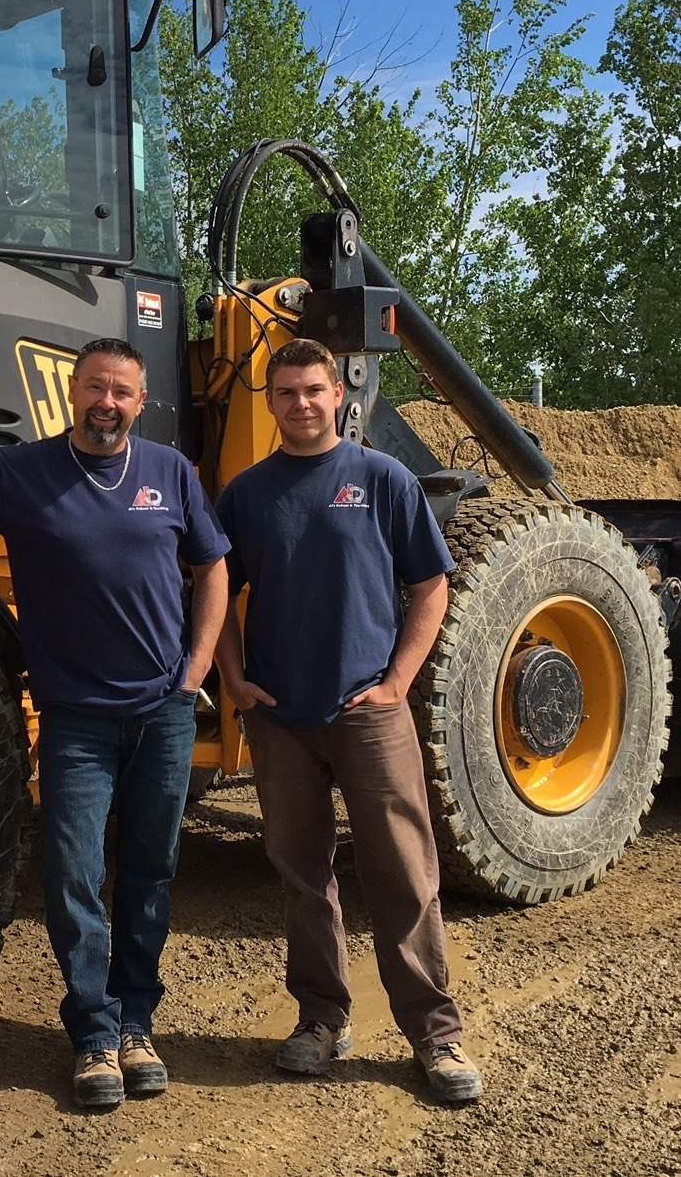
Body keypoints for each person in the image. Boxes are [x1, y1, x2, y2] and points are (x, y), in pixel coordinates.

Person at [0, 337, 230, 1109]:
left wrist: (199, 661)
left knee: (149, 872)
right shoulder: (24, 473)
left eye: (122, 393)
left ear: (140, 403)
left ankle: (136, 1022)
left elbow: (212, 562)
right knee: (74, 876)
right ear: (72, 394)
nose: (106, 403)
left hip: (163, 713)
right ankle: (92, 1035)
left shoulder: (170, 472)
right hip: (76, 719)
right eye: (95, 389)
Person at [213, 337, 482, 1103]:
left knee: (403, 873)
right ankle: (321, 1018)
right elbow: (216, 590)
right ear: (270, 401)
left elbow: (430, 587)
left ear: (339, 394)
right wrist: (232, 675)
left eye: (312, 389)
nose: (300, 403)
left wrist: (397, 681)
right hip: (280, 717)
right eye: (285, 392)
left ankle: (434, 1034)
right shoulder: (248, 493)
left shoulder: (382, 479)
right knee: (303, 876)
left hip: (367, 711)